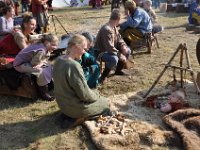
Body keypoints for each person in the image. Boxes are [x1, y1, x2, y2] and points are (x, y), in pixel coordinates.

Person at [53, 34, 110, 128]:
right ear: (75, 47)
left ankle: (69, 115)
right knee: (105, 104)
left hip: (62, 103)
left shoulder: (58, 60)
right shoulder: (73, 65)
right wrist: (97, 97)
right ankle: (77, 118)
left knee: (96, 95)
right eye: (83, 48)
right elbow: (84, 95)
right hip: (73, 107)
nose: (84, 52)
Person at [13, 33, 58, 101]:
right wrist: (41, 64)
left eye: (56, 45)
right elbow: (34, 63)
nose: (55, 47)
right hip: (20, 65)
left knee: (49, 66)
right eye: (53, 45)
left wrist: (42, 63)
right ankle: (43, 93)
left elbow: (42, 60)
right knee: (40, 71)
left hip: (29, 62)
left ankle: (50, 84)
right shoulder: (41, 50)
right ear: (46, 42)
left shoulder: (43, 46)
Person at [94, 8, 131, 84]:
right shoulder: (106, 29)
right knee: (114, 59)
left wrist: (123, 46)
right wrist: (120, 55)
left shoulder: (113, 27)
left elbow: (119, 38)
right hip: (101, 52)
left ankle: (118, 70)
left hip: (109, 49)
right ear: (118, 19)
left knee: (127, 50)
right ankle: (103, 77)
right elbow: (109, 48)